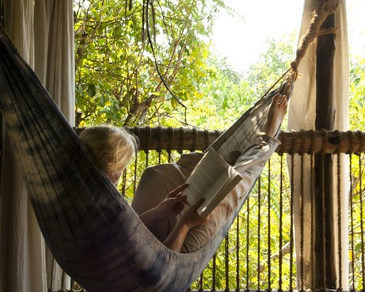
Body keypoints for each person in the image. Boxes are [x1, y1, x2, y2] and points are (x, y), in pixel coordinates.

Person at [79, 93, 288, 253]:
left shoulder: (85, 198)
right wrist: (185, 223)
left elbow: (126, 231)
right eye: (122, 169)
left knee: (161, 174)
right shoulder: (101, 211)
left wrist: (161, 212)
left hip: (152, 238)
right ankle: (266, 141)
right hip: (166, 258)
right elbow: (161, 269)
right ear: (113, 168)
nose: (120, 177)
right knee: (225, 193)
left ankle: (245, 153)